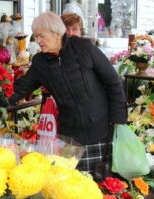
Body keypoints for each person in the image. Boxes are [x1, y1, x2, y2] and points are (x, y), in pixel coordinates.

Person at [9, 12, 127, 175]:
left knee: (103, 183)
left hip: (100, 129)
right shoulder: (40, 62)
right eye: (36, 37)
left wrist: (118, 119)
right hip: (70, 137)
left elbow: (113, 82)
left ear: (56, 32)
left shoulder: (84, 48)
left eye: (41, 36)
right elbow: (19, 89)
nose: (38, 41)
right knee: (72, 185)